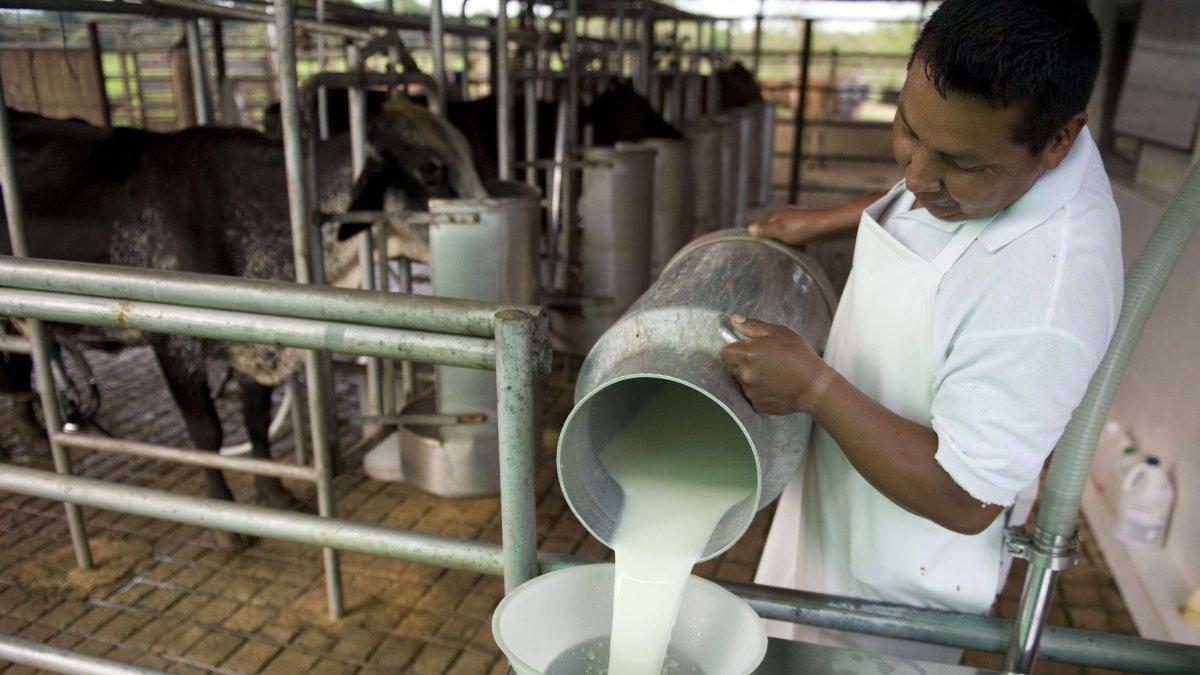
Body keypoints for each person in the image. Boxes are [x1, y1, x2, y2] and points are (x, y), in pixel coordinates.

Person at [720, 0, 1121, 663]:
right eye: (906, 127)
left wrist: (815, 388)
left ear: (1058, 141)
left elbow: (965, 497)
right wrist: (834, 218)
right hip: (836, 516)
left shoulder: (1047, 296)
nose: (914, 177)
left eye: (961, 165)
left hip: (891, 594)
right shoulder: (995, 143)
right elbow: (934, 172)